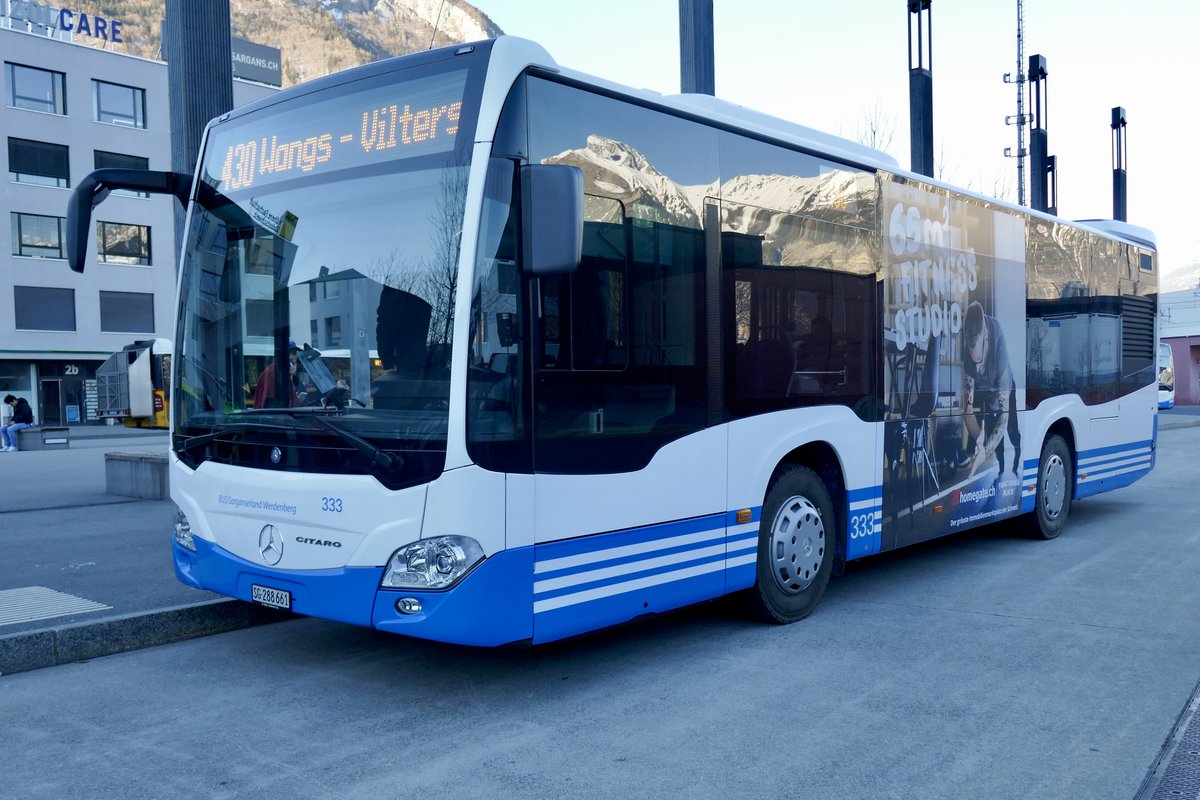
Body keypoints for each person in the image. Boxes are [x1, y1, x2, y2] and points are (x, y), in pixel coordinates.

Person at [962, 301, 1021, 478]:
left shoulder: (998, 345)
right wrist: (977, 436)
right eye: (974, 362)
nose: (977, 368)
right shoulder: (968, 348)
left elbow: (1003, 415)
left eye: (979, 359)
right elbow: (969, 407)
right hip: (986, 393)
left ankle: (1018, 457)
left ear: (986, 335)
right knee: (994, 438)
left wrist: (985, 452)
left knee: (1011, 430)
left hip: (1005, 391)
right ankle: (1002, 468)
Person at [253, 341, 302, 408]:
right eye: (291, 353)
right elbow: (272, 406)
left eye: (295, 353)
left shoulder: (285, 375)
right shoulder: (272, 374)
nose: (294, 357)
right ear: (281, 355)